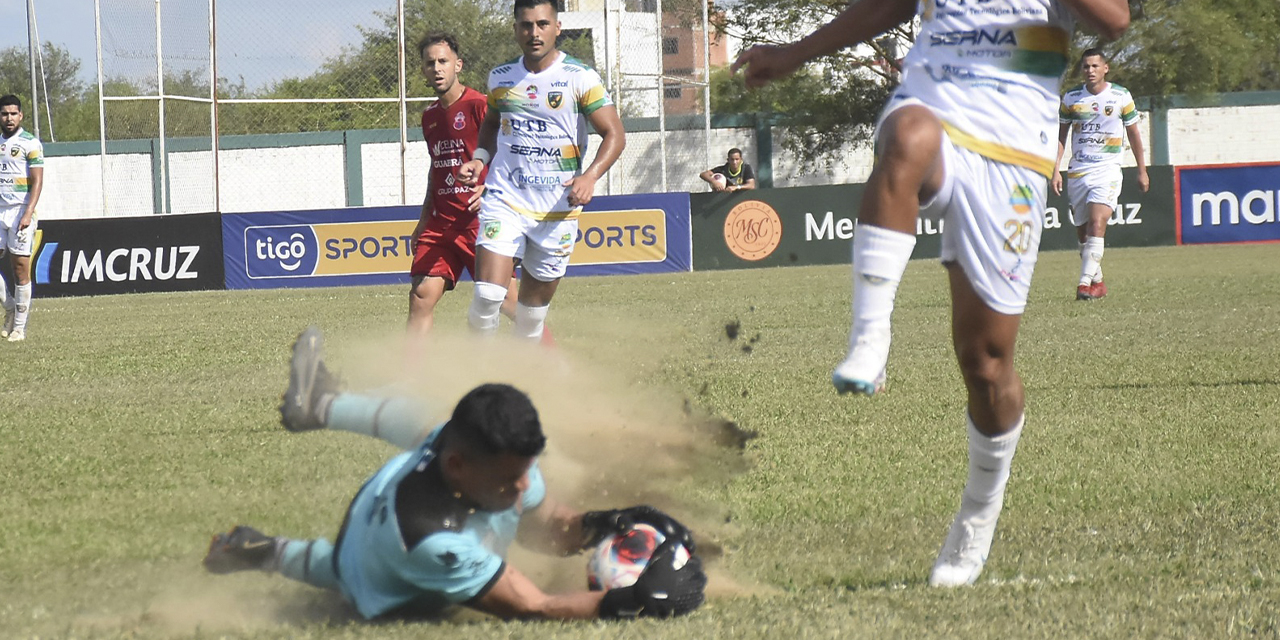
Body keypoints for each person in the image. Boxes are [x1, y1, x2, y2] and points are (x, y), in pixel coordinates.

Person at [732, 0, 1129, 587]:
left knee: (987, 364)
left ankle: (976, 517)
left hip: (1016, 147)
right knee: (908, 137)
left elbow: (1114, 20)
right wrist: (794, 54)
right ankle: (870, 338)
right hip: (935, 100)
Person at [204, 327, 706, 621]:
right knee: (344, 571)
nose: (522, 488)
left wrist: (615, 519)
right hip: (379, 564)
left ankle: (318, 409)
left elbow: (551, 527)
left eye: (527, 472)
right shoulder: (431, 543)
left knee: (427, 417)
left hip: (385, 501)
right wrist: (633, 600)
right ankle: (267, 549)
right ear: (458, 467)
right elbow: (535, 605)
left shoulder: (476, 453)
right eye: (511, 480)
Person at [458, 0, 626, 342]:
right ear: (516, 29)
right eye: (526, 25)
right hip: (506, 199)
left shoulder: (579, 78)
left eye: (542, 24)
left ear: (557, 27)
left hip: (558, 210)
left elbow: (615, 134)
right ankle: (476, 374)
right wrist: (479, 158)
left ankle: (526, 381)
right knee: (488, 295)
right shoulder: (501, 78)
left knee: (531, 319)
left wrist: (590, 176)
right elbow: (491, 124)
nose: (534, 33)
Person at [408, 33, 544, 340]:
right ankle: (410, 378)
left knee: (511, 304)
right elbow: (436, 169)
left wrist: (491, 190)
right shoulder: (429, 117)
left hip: (481, 224)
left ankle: (554, 363)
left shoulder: (480, 106)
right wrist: (422, 221)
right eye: (430, 63)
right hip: (442, 225)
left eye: (443, 61)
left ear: (458, 65)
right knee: (421, 296)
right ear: (423, 71)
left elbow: (516, 153)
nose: (437, 68)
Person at [1051, 48, 1148, 301]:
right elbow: (1060, 137)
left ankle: (1084, 284)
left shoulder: (1120, 96)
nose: (1090, 71)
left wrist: (1142, 170)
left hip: (1108, 169)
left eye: (1095, 66)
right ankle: (1098, 282)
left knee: (1097, 223)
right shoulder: (1071, 98)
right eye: (1086, 66)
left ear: (1105, 68)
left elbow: (1134, 134)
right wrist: (1056, 170)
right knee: (1083, 233)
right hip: (1078, 171)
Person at [0, 94, 43, 343]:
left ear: (21, 116)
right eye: (5, 113)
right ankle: (9, 308)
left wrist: (28, 211)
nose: (9, 118)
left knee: (20, 269)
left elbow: (37, 180)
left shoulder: (30, 143)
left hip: (20, 210)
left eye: (13, 113)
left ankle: (19, 327)